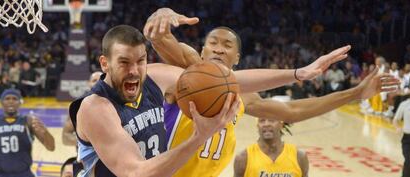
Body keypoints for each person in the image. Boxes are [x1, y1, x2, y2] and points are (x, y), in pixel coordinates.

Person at [143, 8, 400, 177]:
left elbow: (293, 110)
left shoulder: (241, 96)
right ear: (201, 52)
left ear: (237, 58)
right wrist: (160, 17)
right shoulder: (186, 75)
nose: (219, 49)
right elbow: (161, 39)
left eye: (227, 45)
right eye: (212, 44)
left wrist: (355, 94)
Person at [69, 25, 323, 177]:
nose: (135, 70)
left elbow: (226, 80)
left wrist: (298, 74)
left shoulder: (154, 78)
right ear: (105, 63)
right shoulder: (96, 107)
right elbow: (136, 173)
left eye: (140, 60)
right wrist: (199, 137)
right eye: (124, 62)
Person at [0, 89, 55, 177]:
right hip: (0, 174)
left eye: (14, 99)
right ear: (1, 102)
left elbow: (51, 147)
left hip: (24, 174)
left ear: (20, 102)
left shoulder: (28, 121)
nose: (11, 101)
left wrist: (45, 132)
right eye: (7, 99)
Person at [234, 118, 308, 177]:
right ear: (257, 126)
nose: (266, 124)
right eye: (262, 121)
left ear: (281, 124)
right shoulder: (243, 158)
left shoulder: (299, 156)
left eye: (271, 120)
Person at [62, 71, 102, 146]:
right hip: (86, 156)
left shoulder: (115, 102)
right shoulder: (78, 105)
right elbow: (65, 137)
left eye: (100, 80)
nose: (97, 83)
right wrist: (87, 143)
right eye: (94, 81)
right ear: (89, 83)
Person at [393, 97, 410, 177]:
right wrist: (397, 128)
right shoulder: (404, 104)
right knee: (409, 160)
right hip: (407, 139)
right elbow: (395, 119)